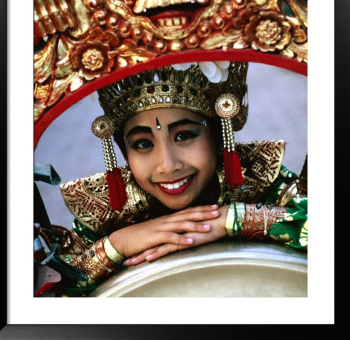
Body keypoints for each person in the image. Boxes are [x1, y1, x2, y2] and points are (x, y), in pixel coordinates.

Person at [42, 60, 307, 297]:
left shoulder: (262, 182)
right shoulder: (106, 214)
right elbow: (55, 292)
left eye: (183, 136)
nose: (167, 165)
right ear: (124, 151)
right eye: (143, 144)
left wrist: (233, 220)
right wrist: (117, 244)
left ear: (216, 135)